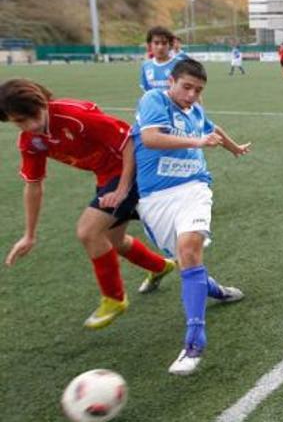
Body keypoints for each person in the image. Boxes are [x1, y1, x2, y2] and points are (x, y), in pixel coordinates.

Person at [0, 79, 175, 330]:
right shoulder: (31, 141)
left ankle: (114, 299)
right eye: (19, 121)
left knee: (89, 231)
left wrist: (124, 188)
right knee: (112, 241)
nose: (31, 125)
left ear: (41, 102)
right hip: (106, 178)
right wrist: (29, 235)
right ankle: (160, 266)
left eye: (33, 115)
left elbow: (129, 141)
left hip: (134, 169)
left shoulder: (75, 116)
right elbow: (34, 185)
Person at [132, 58, 250, 375]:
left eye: (198, 90)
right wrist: (198, 141)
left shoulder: (195, 110)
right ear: (171, 81)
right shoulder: (154, 100)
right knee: (187, 262)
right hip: (156, 197)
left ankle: (194, 341)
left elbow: (212, 128)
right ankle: (215, 290)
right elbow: (150, 139)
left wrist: (234, 147)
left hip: (194, 187)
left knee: (189, 249)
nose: (191, 95)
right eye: (187, 87)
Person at [140, 26, 182, 93]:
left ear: (170, 45)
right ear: (150, 45)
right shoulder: (146, 66)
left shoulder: (180, 64)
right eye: (156, 43)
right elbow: (147, 92)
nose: (160, 47)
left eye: (164, 43)